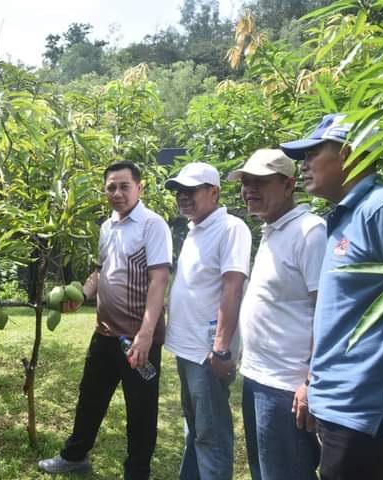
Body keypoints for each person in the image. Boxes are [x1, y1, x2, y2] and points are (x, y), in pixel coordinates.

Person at [38, 161, 172, 479]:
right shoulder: (107, 226)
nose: (117, 192)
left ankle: (137, 472)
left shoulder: (153, 225)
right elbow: (100, 270)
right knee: (90, 398)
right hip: (105, 333)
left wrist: (146, 334)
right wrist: (82, 295)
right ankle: (75, 457)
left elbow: (159, 281)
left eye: (124, 186)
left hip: (138, 339)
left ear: (139, 188)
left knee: (140, 410)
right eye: (111, 186)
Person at [280, 113, 383, 480]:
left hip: (363, 413)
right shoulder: (343, 216)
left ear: (349, 153)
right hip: (336, 405)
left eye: (313, 152)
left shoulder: (380, 209)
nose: (304, 164)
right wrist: (313, 382)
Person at [227, 149, 324, 480]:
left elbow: (325, 310)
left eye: (261, 182)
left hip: (286, 386)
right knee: (265, 472)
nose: (249, 189)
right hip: (257, 377)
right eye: (246, 182)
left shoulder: (310, 232)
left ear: (288, 185)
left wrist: (311, 382)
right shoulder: (272, 230)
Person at [164, 162, 251, 480]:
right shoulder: (195, 230)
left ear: (214, 192)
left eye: (190, 190)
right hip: (186, 349)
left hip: (206, 353)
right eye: (178, 191)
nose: (182, 197)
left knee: (210, 436)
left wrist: (221, 349)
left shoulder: (230, 228)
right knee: (195, 431)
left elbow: (233, 287)